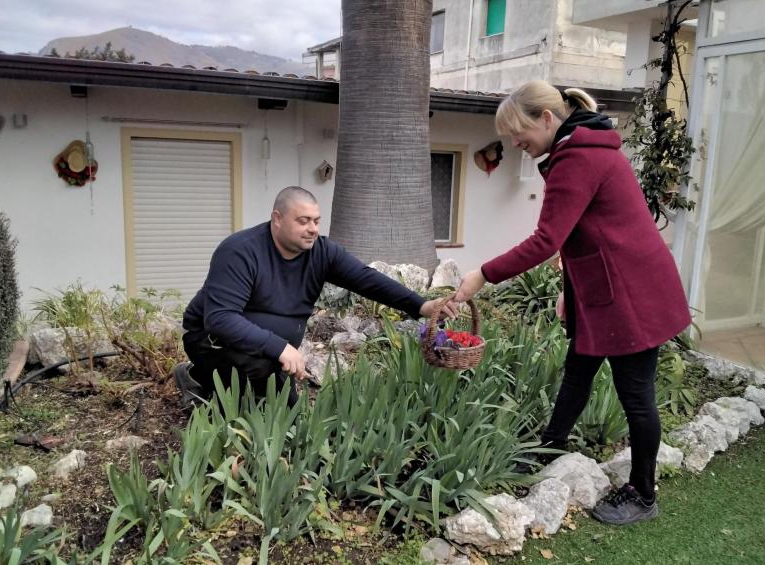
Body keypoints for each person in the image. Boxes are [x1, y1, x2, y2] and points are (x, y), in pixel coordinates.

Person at [453, 80, 691, 526]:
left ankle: (643, 493)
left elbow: (547, 239)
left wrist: (483, 274)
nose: (515, 144)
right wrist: (573, 287)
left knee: (636, 396)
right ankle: (551, 447)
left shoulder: (577, 156)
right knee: (578, 371)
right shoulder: (581, 148)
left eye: (518, 132)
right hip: (606, 284)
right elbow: (590, 229)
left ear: (546, 118)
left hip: (630, 292)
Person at [174, 185, 457, 408]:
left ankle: (248, 385)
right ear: (277, 219)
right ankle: (197, 379)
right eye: (303, 221)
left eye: (316, 221)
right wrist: (280, 347)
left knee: (290, 415)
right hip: (212, 342)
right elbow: (220, 320)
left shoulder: (321, 252)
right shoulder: (240, 251)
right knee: (247, 392)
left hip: (266, 352)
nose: (312, 228)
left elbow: (366, 280)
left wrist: (420, 305)